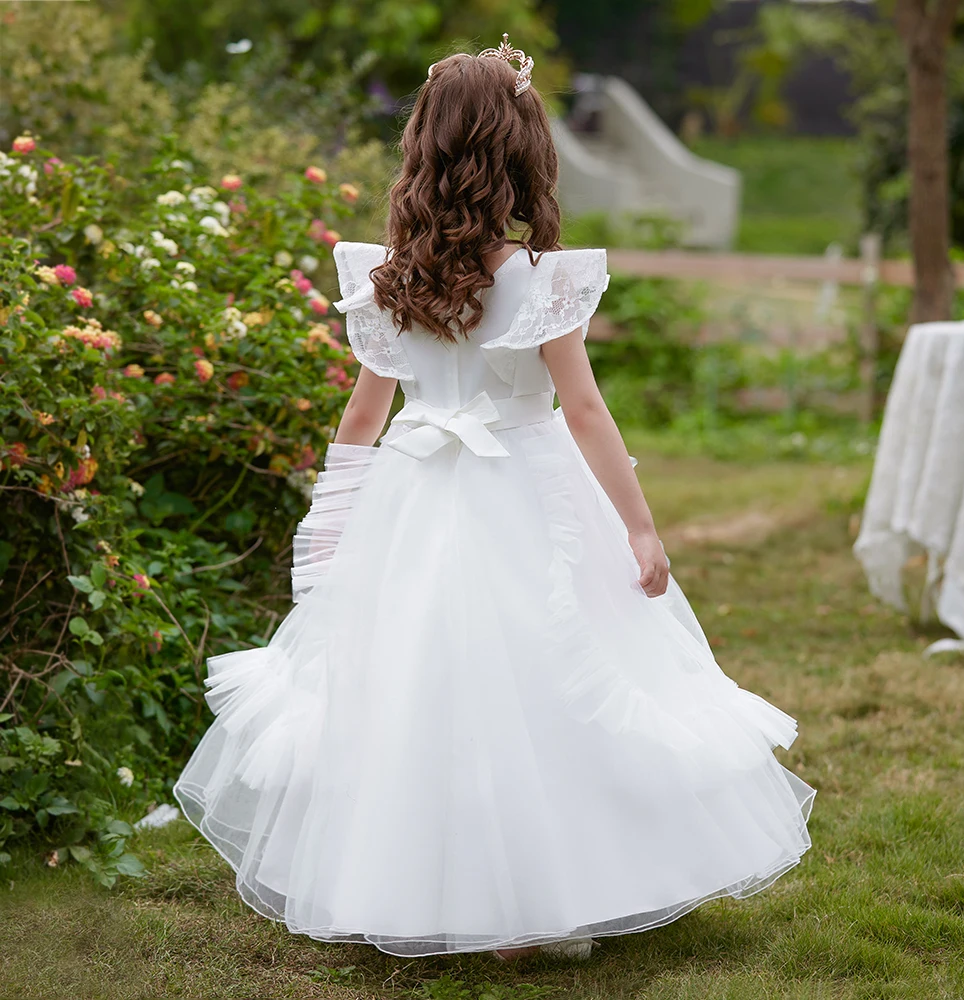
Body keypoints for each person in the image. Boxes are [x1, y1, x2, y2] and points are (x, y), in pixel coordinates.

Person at [172, 35, 815, 963]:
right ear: (520, 154)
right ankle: (532, 898)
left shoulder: (391, 283)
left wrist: (331, 524)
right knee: (545, 682)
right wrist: (639, 528)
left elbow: (361, 421)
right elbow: (586, 414)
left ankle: (427, 884)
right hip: (529, 492)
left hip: (413, 499)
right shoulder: (539, 284)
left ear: (423, 151)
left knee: (421, 685)